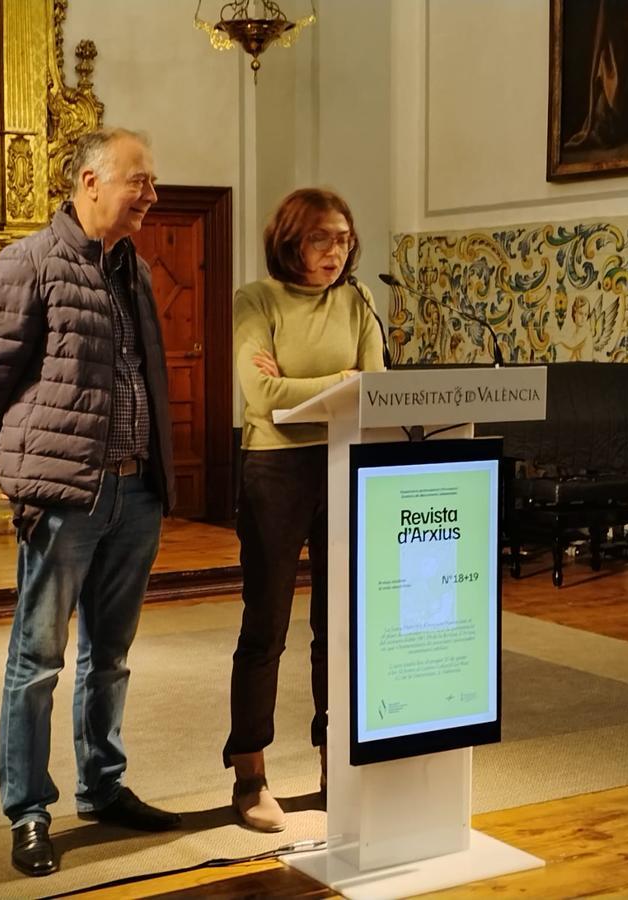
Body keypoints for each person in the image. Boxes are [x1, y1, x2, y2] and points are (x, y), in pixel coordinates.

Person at [0, 127, 179, 878]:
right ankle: (29, 810)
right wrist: (29, 472)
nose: (151, 194)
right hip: (65, 500)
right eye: (138, 181)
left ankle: (104, 787)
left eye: (150, 182)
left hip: (136, 492)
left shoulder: (136, 271)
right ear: (89, 180)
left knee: (110, 658)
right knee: (38, 660)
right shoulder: (27, 263)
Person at [225, 188, 386, 832]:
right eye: (322, 238)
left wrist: (323, 387)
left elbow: (376, 386)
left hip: (342, 463)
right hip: (274, 470)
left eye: (344, 238)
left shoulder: (360, 299)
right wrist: (340, 381)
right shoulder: (255, 299)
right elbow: (260, 394)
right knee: (267, 625)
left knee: (339, 625)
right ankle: (250, 774)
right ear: (292, 240)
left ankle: (333, 761)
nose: (335, 251)